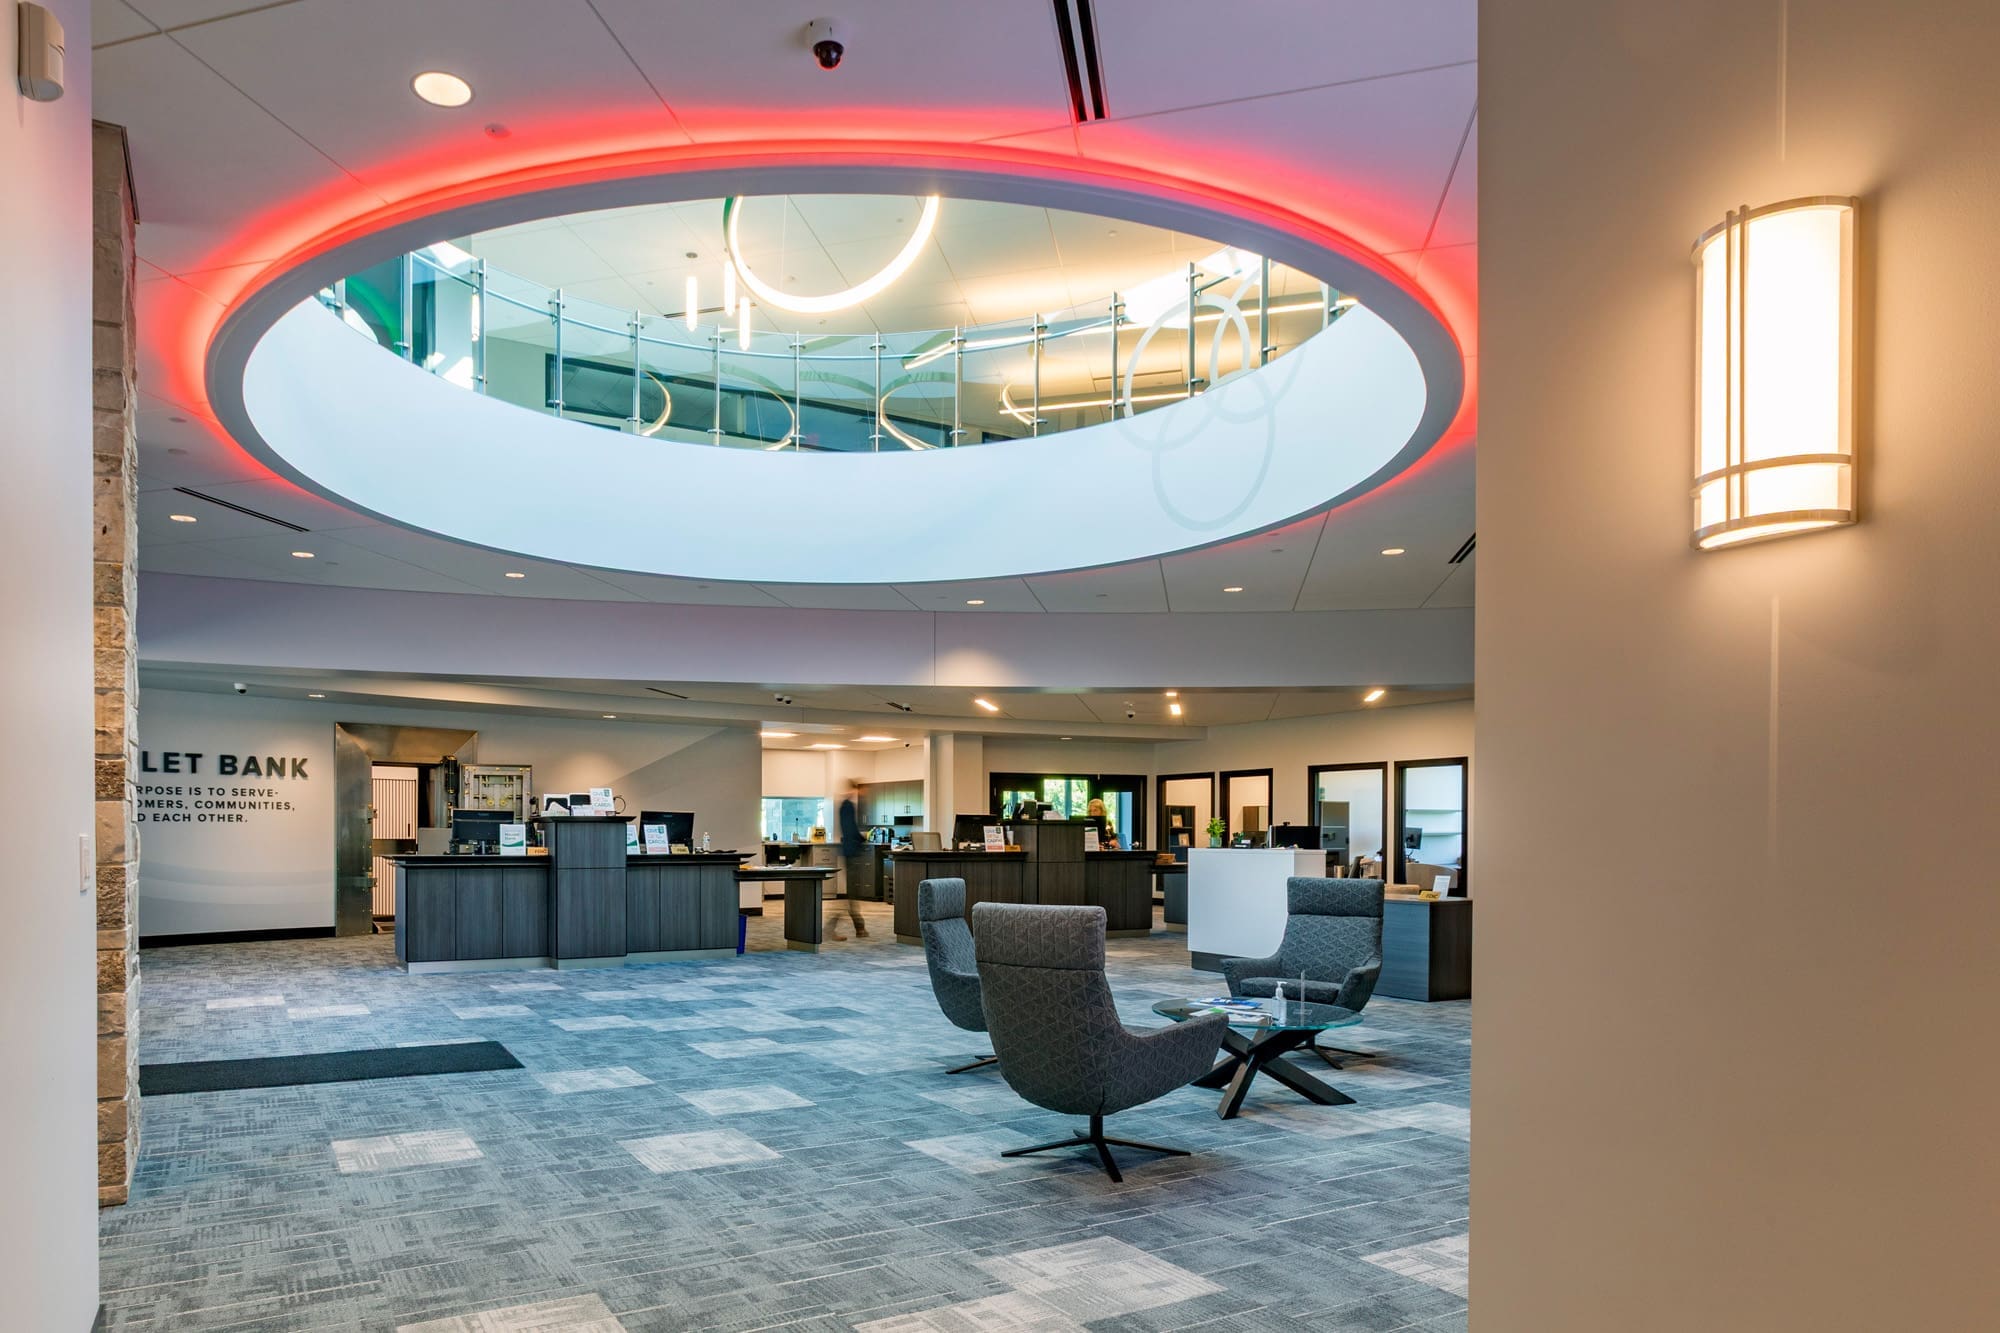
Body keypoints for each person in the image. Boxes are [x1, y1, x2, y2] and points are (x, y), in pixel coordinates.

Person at [830, 779, 869, 941]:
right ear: (854, 789)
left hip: (850, 850)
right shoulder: (847, 806)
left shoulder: (845, 805)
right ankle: (853, 927)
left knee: (852, 893)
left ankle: (859, 927)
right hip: (852, 851)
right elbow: (850, 829)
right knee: (852, 893)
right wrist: (862, 839)